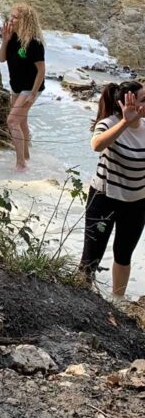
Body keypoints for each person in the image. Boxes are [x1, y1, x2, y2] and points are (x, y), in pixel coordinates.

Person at [79, 81, 145, 297]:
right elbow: (96, 145)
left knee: (124, 255)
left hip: (137, 202)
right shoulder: (109, 123)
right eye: (144, 100)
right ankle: (81, 299)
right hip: (104, 198)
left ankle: (117, 303)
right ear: (127, 103)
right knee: (91, 257)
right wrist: (125, 123)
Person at [0, 4, 45, 172]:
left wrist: (33, 93)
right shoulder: (12, 38)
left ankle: (20, 164)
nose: (11, 19)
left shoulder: (34, 43)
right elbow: (2, 59)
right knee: (21, 121)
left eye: (15, 17)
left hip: (30, 88)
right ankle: (26, 156)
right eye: (11, 16)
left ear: (25, 21)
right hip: (16, 86)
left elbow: (41, 70)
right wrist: (5, 41)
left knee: (12, 121)